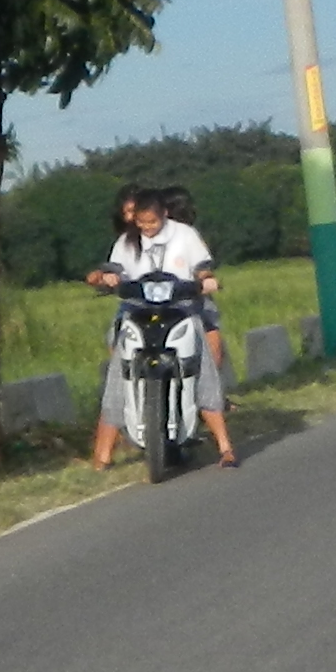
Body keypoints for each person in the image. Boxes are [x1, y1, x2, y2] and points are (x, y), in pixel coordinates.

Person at [86, 181, 239, 470]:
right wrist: (110, 279)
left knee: (203, 368)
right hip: (138, 313)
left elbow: (201, 266)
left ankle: (225, 447)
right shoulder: (127, 242)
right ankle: (102, 457)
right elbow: (115, 268)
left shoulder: (185, 235)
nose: (147, 228)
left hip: (181, 310)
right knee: (119, 373)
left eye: (152, 222)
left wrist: (204, 279)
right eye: (141, 223)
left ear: (165, 213)